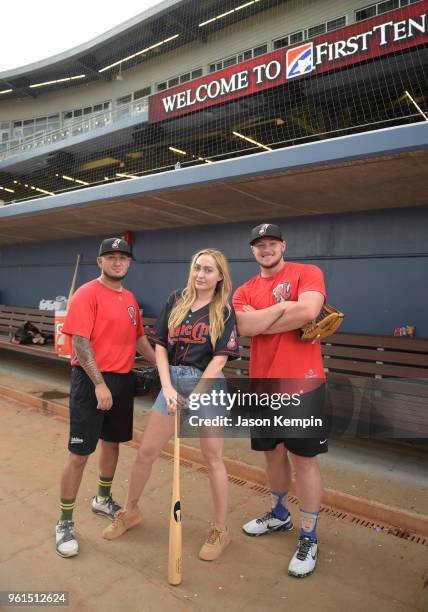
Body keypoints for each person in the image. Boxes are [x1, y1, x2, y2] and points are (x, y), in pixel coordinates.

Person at [102, 248, 239, 561]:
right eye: (197, 268)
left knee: (213, 458)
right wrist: (166, 385)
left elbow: (219, 361)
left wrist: (197, 394)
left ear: (220, 276)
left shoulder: (225, 311)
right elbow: (160, 346)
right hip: (171, 381)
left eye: (208, 270)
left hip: (207, 384)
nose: (201, 275)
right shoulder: (176, 299)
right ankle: (131, 510)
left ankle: (220, 529)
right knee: (146, 452)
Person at [232, 223, 327, 578]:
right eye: (259, 244)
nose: (266, 248)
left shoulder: (307, 272)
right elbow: (242, 327)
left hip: (303, 385)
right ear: (253, 251)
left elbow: (308, 313)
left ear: (283, 246)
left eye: (272, 242)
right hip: (264, 387)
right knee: (272, 454)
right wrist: (284, 309)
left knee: (305, 461)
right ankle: (279, 514)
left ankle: (309, 535)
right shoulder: (244, 289)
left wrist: (264, 320)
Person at [55, 237, 156, 558]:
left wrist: (162, 366)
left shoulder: (129, 298)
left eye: (123, 257)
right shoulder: (87, 293)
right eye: (110, 257)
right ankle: (65, 521)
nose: (117, 262)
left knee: (112, 443)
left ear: (129, 263)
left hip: (122, 379)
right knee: (79, 452)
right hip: (90, 379)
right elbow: (81, 343)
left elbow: (138, 338)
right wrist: (99, 384)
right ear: (100, 262)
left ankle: (102, 498)